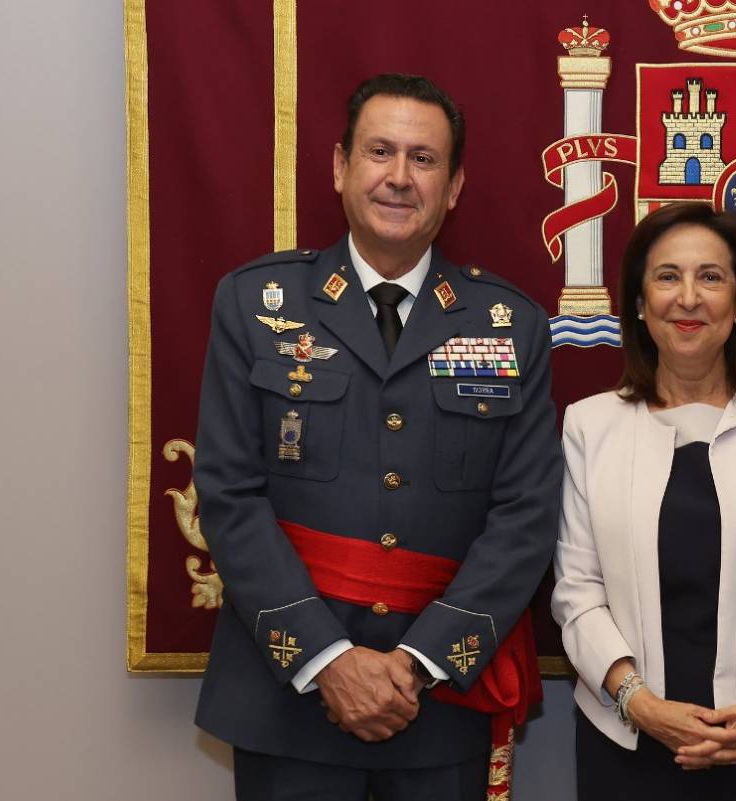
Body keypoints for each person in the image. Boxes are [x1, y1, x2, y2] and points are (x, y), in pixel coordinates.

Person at [193, 73, 561, 801]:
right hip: (288, 697)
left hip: (438, 704)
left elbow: (525, 515)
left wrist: (418, 664)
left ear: (454, 187)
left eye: (423, 159)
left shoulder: (509, 324)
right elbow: (229, 495)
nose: (399, 177)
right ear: (340, 166)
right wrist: (327, 659)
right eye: (380, 151)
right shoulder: (255, 303)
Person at [551, 201, 736, 800]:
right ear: (639, 303)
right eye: (668, 277)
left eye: (710, 277)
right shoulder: (589, 425)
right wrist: (641, 704)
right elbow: (577, 592)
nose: (688, 298)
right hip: (630, 742)